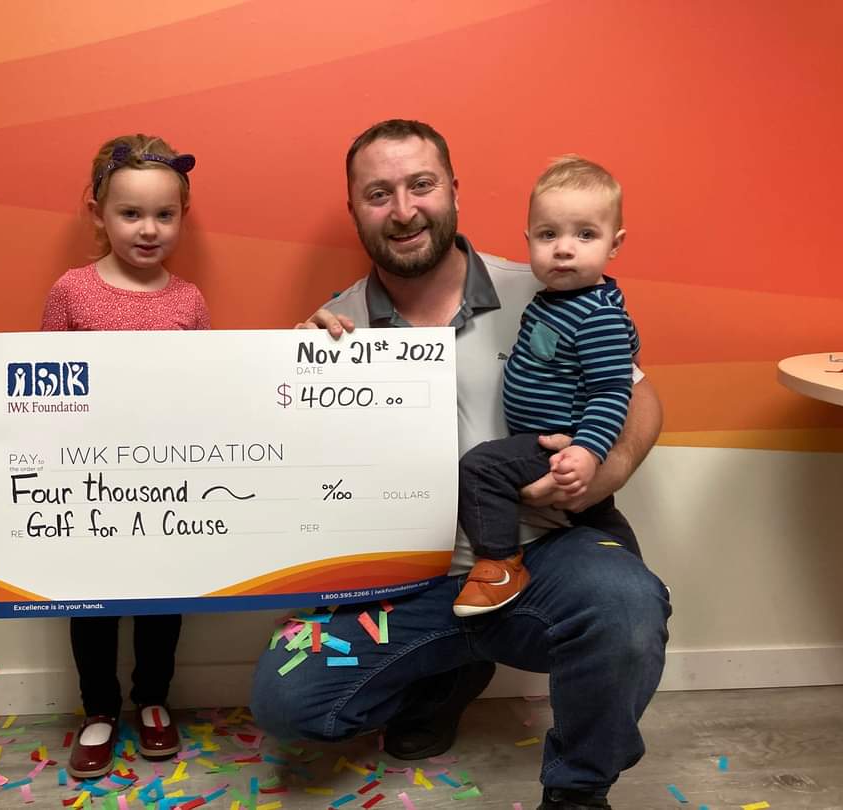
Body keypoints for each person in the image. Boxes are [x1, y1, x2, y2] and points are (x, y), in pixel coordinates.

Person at [248, 120, 671, 810]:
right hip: (401, 584)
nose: (405, 210)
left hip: (542, 554)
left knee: (624, 609)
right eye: (378, 194)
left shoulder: (543, 288)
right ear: (354, 209)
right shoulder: (331, 329)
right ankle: (447, 668)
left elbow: (640, 395)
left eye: (421, 185)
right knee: (288, 704)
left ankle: (577, 791)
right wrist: (293, 374)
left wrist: (610, 467)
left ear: (453, 191)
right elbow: (294, 474)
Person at [0, 134, 208, 778]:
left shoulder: (189, 302)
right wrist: (4, 393)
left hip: (166, 481)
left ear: (183, 217)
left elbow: (208, 389)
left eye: (165, 214)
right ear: (99, 214)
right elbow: (43, 379)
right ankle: (99, 709)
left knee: (164, 601)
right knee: (93, 606)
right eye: (131, 213)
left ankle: (154, 700)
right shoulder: (72, 291)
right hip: (88, 484)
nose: (149, 228)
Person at [454, 156, 640, 616]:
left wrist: (589, 451)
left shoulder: (597, 314)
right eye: (548, 234)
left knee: (481, 468)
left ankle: (498, 564)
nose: (563, 249)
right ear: (529, 239)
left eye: (585, 234)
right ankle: (638, 576)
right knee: (596, 514)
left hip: (557, 441)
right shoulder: (560, 300)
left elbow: (613, 390)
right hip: (547, 437)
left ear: (614, 244)